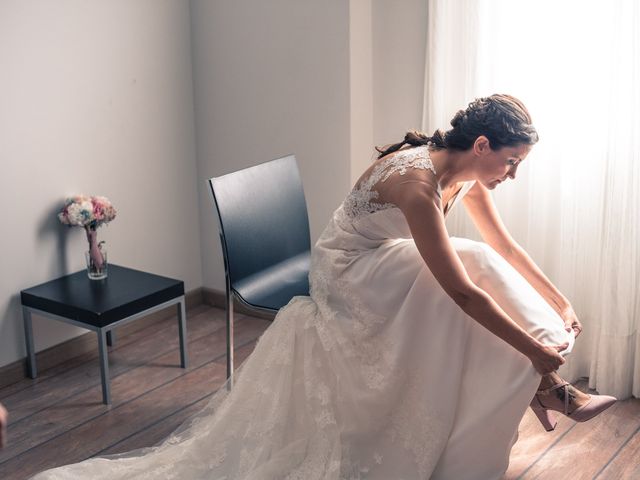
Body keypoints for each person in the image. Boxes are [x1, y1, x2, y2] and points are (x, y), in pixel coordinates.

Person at [32, 94, 616, 480]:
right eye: (512, 161)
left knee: (476, 263)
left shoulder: (463, 173)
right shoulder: (416, 184)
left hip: (384, 260)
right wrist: (532, 346)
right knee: (465, 277)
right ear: (483, 146)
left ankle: (543, 384)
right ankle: (546, 380)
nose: (512, 174)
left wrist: (557, 299)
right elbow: (464, 291)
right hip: (348, 274)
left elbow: (507, 250)